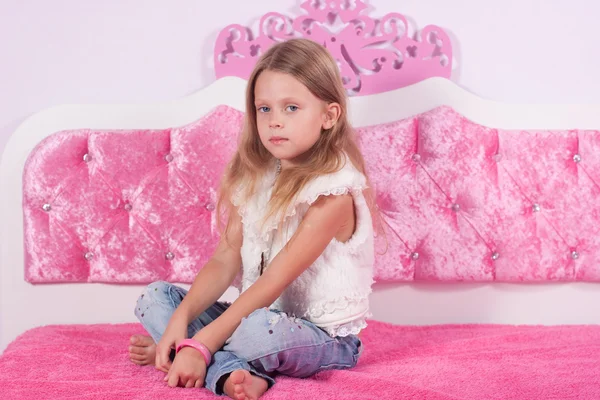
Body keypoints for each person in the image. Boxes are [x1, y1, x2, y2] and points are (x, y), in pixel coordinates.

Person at [128, 38, 375, 400]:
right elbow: (225, 258)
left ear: (329, 115)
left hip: (318, 337)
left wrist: (201, 344)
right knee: (156, 299)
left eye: (291, 108)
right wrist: (181, 320)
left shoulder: (334, 193)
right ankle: (226, 368)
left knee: (260, 332)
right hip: (254, 312)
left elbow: (275, 278)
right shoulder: (256, 175)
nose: (275, 122)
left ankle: (194, 355)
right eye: (264, 109)